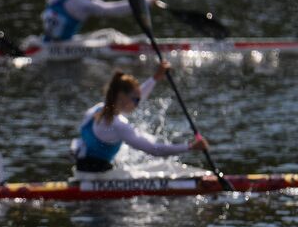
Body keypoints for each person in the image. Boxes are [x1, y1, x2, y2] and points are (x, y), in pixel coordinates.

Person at [71, 60, 211, 173]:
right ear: (121, 97)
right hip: (97, 176)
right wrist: (190, 147)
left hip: (83, 169)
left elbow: (139, 95)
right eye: (136, 100)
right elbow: (154, 150)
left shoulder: (98, 108)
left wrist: (155, 78)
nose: (138, 104)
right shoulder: (119, 125)